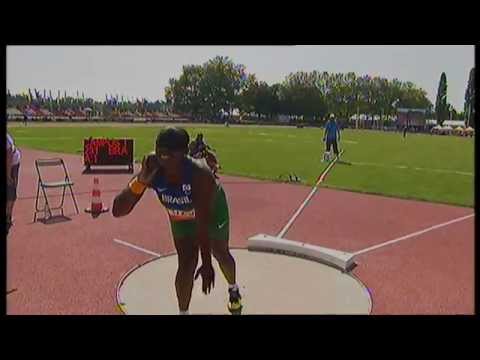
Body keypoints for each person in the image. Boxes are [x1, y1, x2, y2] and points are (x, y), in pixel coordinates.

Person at [112, 127, 242, 315]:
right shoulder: (153, 168)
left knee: (220, 252)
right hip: (180, 214)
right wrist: (140, 180)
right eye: (160, 153)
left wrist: (206, 264)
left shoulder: (200, 174)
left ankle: (233, 289)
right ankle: (183, 312)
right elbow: (118, 210)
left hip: (211, 212)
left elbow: (202, 223)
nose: (164, 160)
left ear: (184, 154)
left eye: (170, 156)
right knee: (187, 262)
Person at [7, 133, 22, 236]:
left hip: (12, 163)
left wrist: (8, 176)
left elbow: (9, 156)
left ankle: (8, 216)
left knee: (11, 188)